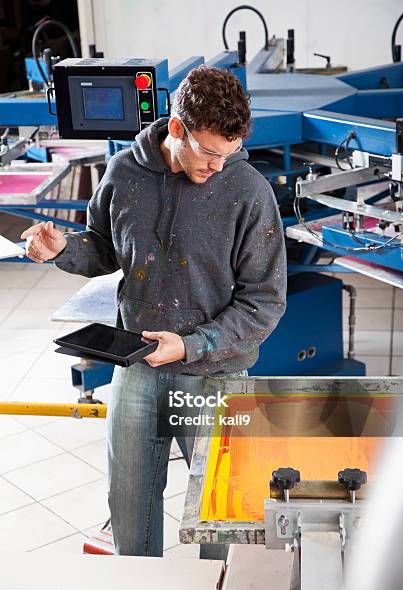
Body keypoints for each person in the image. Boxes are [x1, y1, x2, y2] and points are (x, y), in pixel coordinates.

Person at [21, 65, 287, 558]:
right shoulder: (124, 174)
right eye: (209, 152)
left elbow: (265, 301)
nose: (218, 167)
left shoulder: (248, 191)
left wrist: (191, 344)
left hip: (215, 376)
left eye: (228, 154)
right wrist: (62, 249)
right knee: (129, 509)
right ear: (177, 128)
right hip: (138, 366)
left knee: (223, 521)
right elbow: (103, 247)